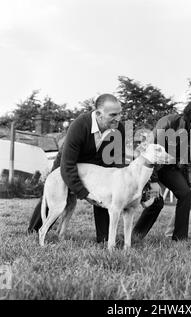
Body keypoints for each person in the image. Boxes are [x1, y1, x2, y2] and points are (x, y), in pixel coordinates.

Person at [27, 93, 126, 243]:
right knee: (55, 196)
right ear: (98, 114)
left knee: (104, 192)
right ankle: (34, 231)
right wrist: (84, 193)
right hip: (69, 161)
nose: (118, 118)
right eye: (113, 114)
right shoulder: (79, 125)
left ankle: (104, 238)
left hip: (98, 166)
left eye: (120, 113)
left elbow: (118, 160)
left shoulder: (119, 128)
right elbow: (67, 166)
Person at [132, 98, 191, 241]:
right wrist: (154, 181)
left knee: (185, 194)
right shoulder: (168, 122)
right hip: (149, 166)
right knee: (156, 202)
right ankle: (135, 236)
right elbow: (151, 152)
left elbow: (189, 160)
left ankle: (180, 239)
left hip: (170, 168)